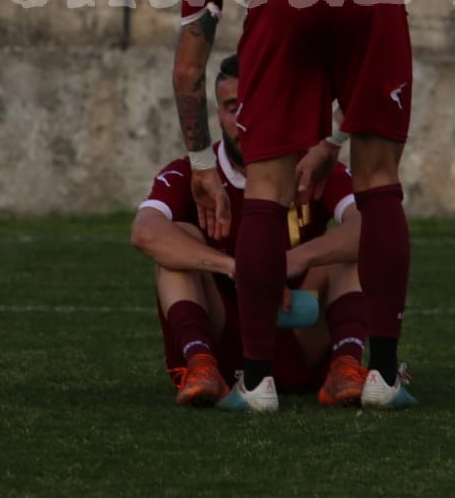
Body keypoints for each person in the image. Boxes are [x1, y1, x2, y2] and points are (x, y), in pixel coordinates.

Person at [170, 0, 417, 412]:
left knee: (266, 187)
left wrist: (199, 162)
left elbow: (189, 71)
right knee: (380, 180)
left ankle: (256, 383)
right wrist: (332, 141)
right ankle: (383, 376)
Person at [132, 55, 369, 408]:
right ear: (218, 116)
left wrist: (289, 261)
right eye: (232, 108)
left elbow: (373, 227)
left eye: (257, 104)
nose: (246, 120)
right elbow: (145, 233)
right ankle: (200, 365)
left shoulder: (313, 167)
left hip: (298, 334)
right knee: (179, 237)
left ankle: (345, 366)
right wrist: (241, 268)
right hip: (226, 340)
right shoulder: (194, 173)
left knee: (349, 244)